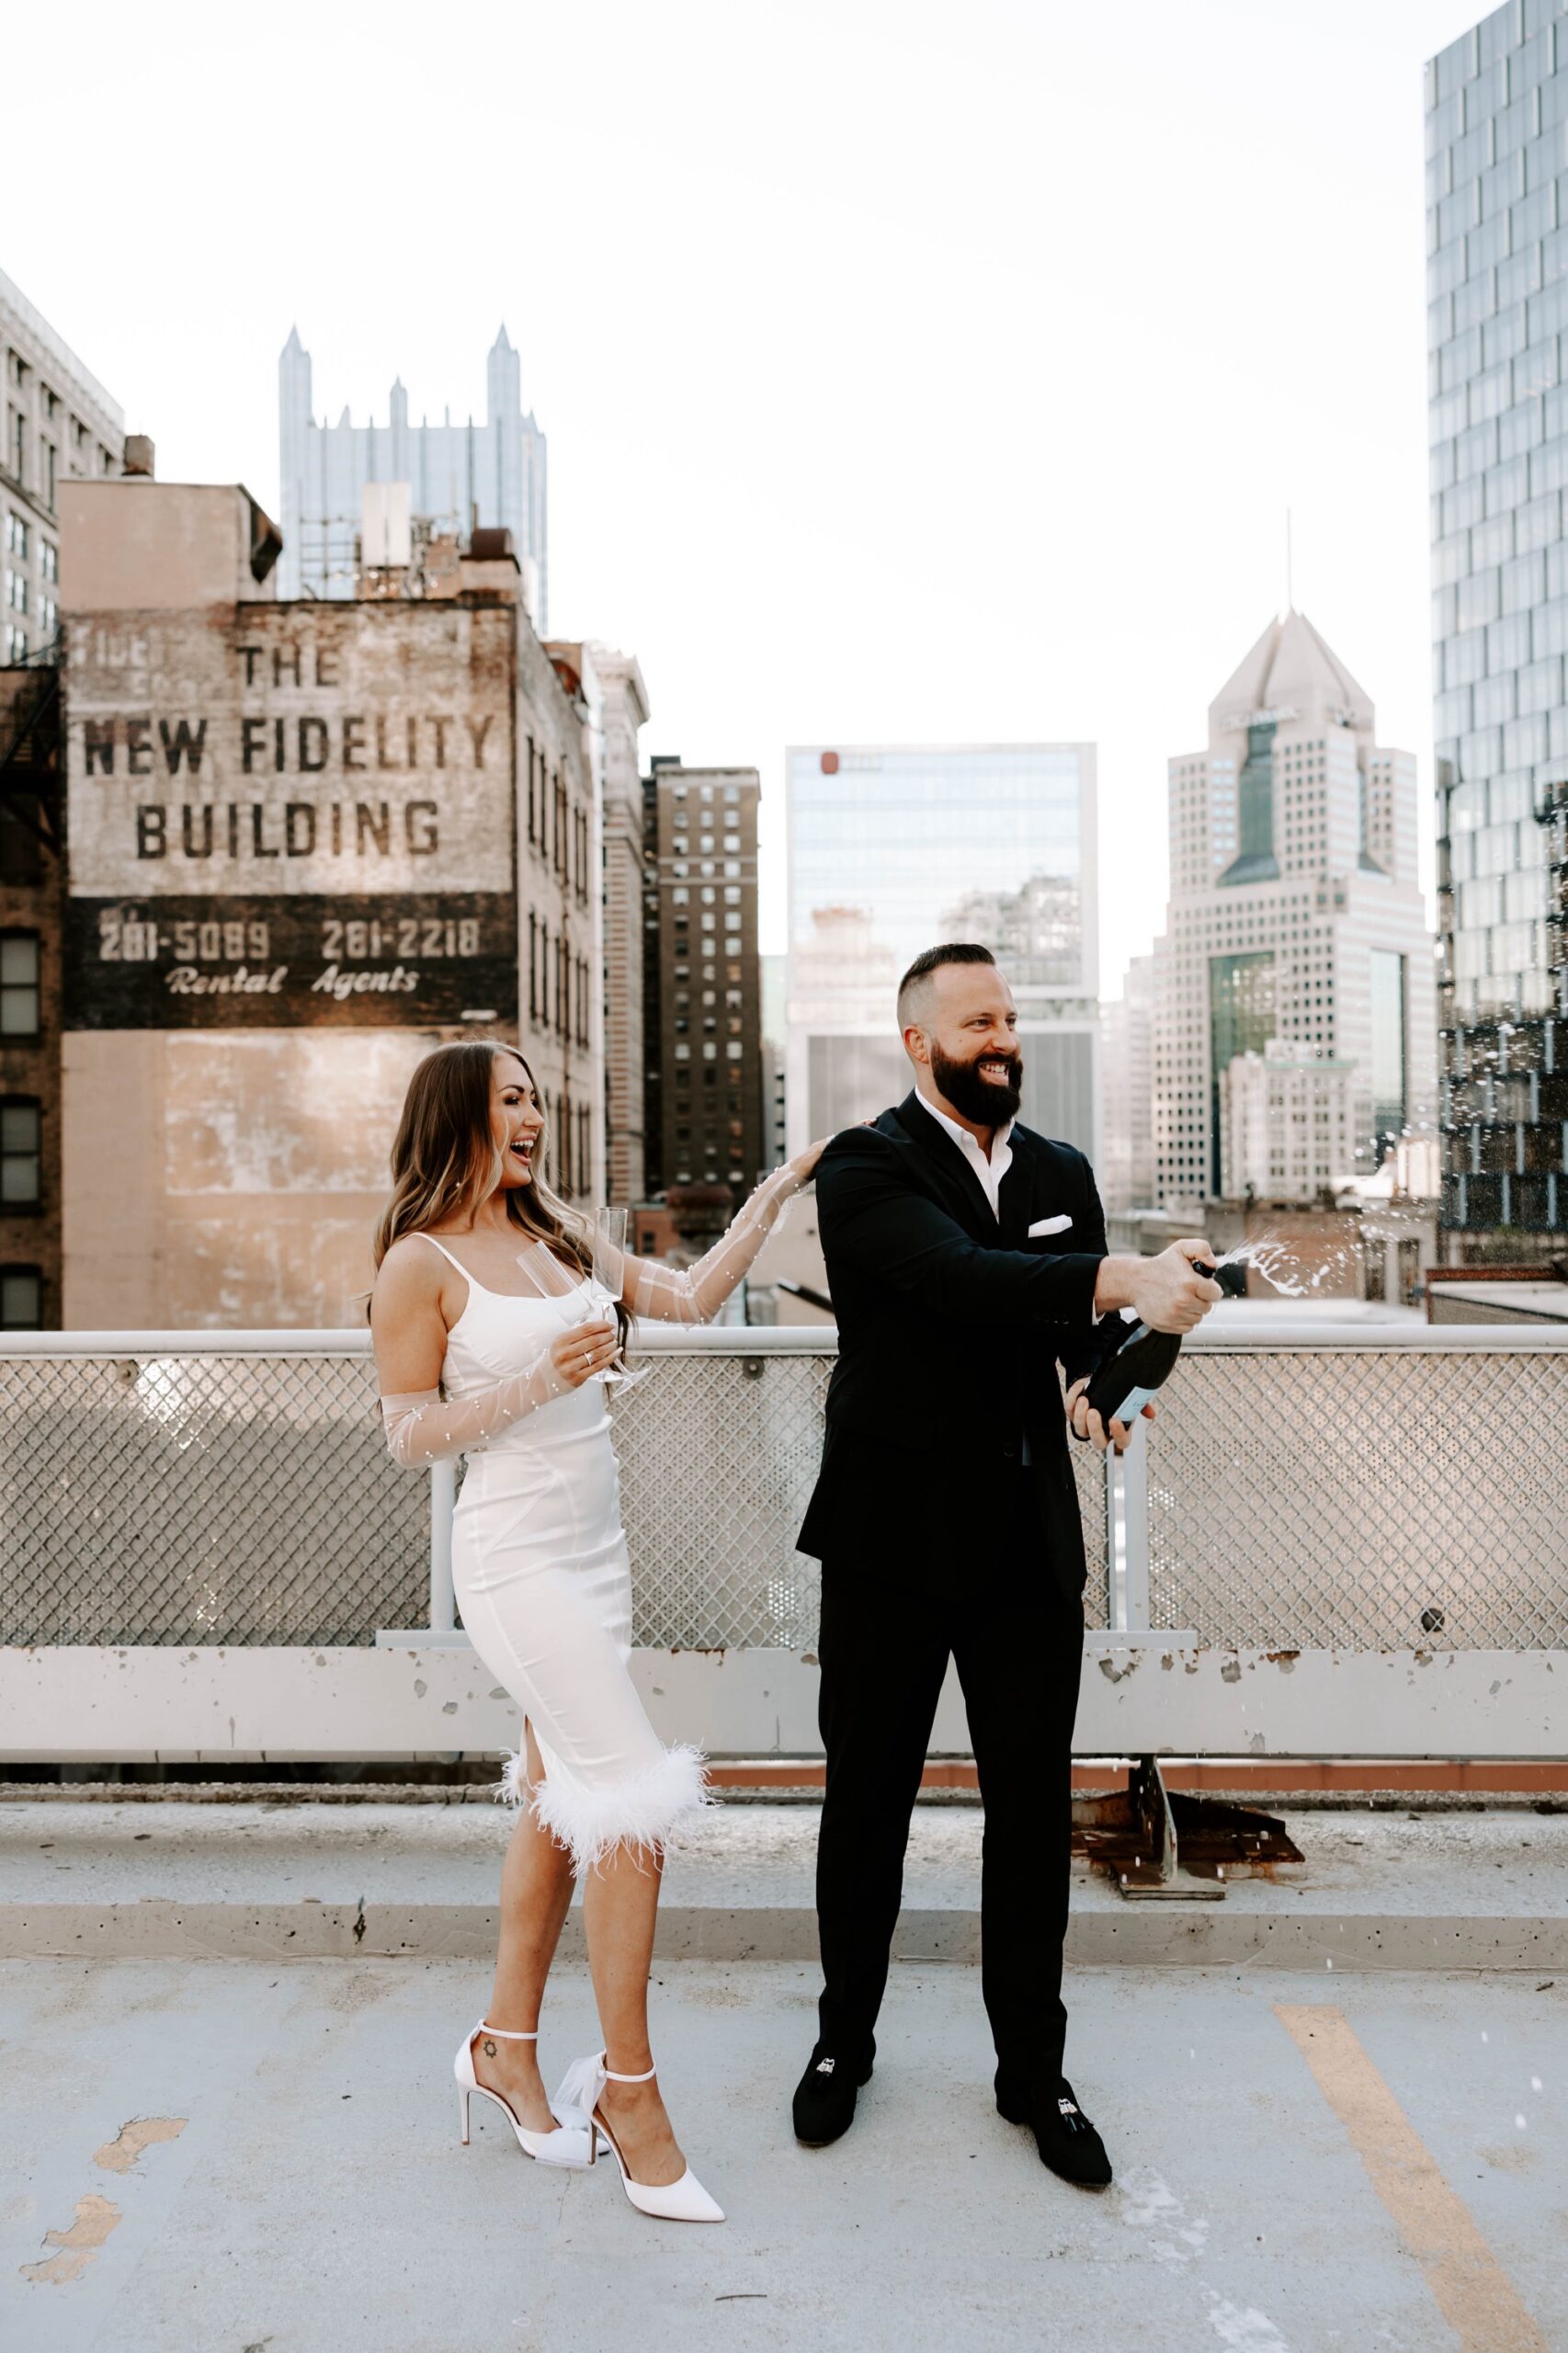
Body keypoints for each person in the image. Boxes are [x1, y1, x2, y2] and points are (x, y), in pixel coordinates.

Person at [370, 1038, 821, 2224]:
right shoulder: (418, 1264)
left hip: (595, 1559)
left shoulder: (556, 1236)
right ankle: (630, 2093)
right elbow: (407, 1433)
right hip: (513, 1562)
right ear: (458, 1118)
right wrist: (537, 1379)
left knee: (556, 1802)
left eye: (534, 1098)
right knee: (632, 1804)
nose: (531, 1115)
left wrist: (776, 1191)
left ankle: (503, 2047)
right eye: (509, 1099)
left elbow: (694, 1295)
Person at [791, 944, 1220, 2187]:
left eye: (1011, 1019)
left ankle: (1032, 2073)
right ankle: (840, 2045)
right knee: (863, 1802)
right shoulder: (866, 1166)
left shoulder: (1060, 1173)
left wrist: (1115, 1382)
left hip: (1026, 1544)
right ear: (917, 1041)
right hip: (883, 1541)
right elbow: (951, 1279)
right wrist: (1113, 1272)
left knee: (1029, 1820)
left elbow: (1082, 1341)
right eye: (975, 1021)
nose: (1002, 1038)